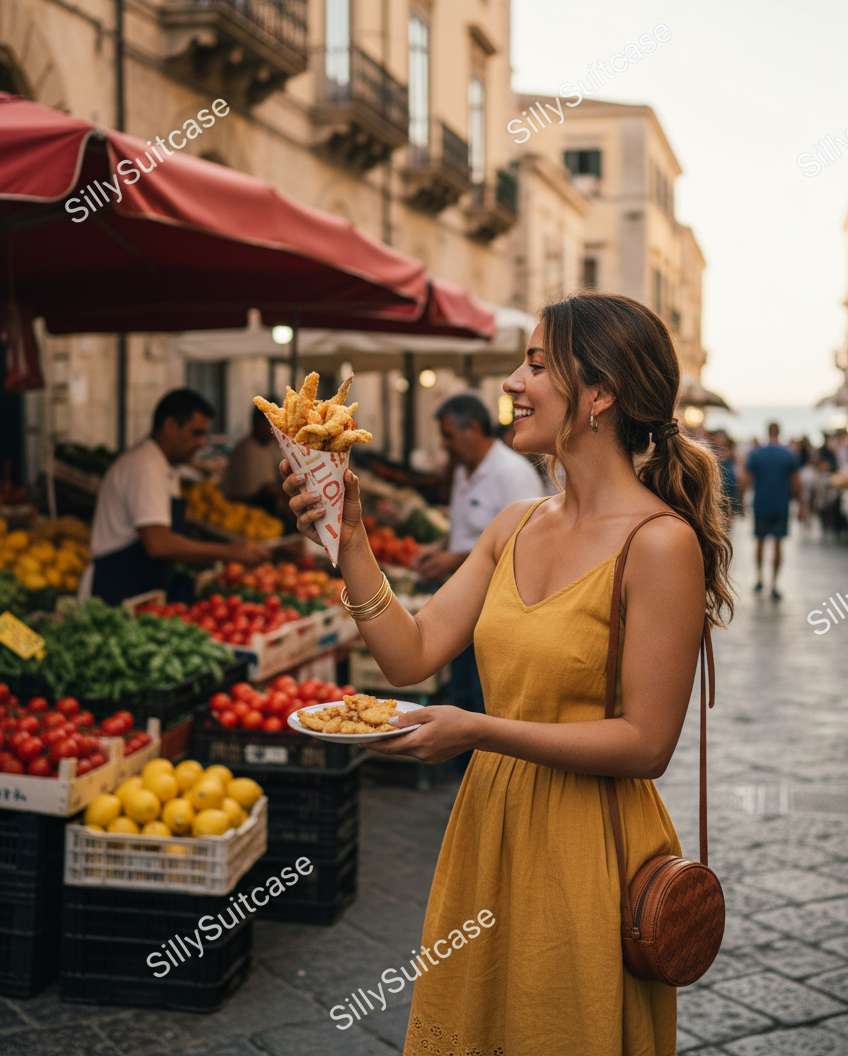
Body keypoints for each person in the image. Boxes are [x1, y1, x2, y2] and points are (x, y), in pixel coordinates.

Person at [282, 292, 733, 1055]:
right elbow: (411, 654)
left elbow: (647, 743)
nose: (513, 384)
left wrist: (475, 730)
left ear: (600, 393)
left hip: (591, 843)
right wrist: (348, 540)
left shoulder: (661, 545)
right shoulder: (513, 525)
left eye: (534, 364)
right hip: (489, 825)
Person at [412, 393, 544, 725]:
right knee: (463, 687)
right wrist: (440, 546)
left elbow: (525, 543)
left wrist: (453, 559)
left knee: (483, 692)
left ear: (472, 429)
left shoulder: (512, 473)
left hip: (496, 606)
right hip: (464, 599)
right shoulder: (465, 469)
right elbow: (468, 528)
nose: (445, 445)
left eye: (448, 436)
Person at [86, 389, 265, 606]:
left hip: (139, 584)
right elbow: (158, 543)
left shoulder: (164, 465)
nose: (201, 443)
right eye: (196, 433)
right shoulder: (145, 467)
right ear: (170, 426)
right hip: (119, 587)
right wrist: (229, 552)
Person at [744, 421, 799, 601]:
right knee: (778, 544)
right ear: (779, 432)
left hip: (761, 503)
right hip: (780, 505)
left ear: (767, 432)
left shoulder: (757, 454)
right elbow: (796, 482)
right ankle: (774, 584)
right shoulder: (788, 455)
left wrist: (741, 503)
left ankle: (759, 578)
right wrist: (802, 504)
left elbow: (746, 479)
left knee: (759, 542)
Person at [222, 404, 282, 506]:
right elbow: (246, 494)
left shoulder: (273, 447)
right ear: (257, 423)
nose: (274, 430)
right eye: (270, 424)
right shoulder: (244, 451)